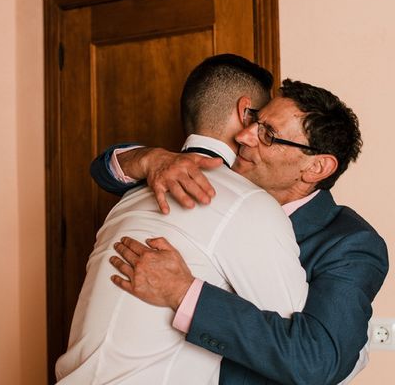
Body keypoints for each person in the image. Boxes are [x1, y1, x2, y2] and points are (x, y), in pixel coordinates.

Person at [93, 78, 389, 384]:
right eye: (254, 121)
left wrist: (182, 293)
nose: (244, 136)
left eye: (268, 135)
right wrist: (150, 158)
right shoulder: (216, 182)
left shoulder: (351, 244)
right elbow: (104, 172)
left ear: (316, 168)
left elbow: (317, 361)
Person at [55, 55, 308, 384]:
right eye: (263, 125)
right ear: (245, 114)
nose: (260, 138)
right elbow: (298, 348)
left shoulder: (131, 196)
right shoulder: (247, 204)